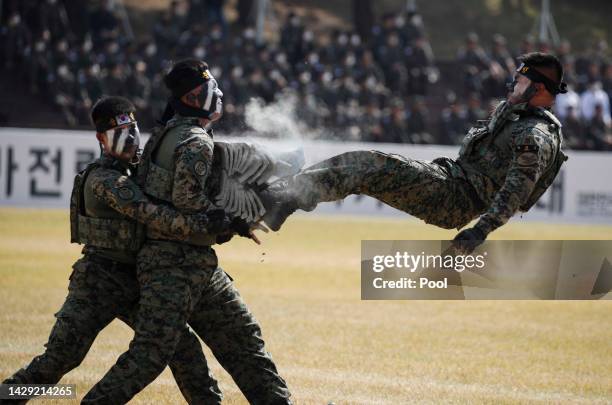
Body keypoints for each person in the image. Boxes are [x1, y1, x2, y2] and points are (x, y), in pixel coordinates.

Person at [83, 59, 292, 404]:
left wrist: (231, 218)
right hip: (173, 267)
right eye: (211, 88)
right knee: (151, 354)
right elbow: (186, 197)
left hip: (193, 262)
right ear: (196, 97)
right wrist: (230, 220)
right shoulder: (194, 140)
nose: (219, 94)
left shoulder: (168, 133)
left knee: (243, 340)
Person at [0, 96, 226, 404]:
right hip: (99, 282)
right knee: (57, 363)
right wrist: (208, 223)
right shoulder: (103, 179)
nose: (132, 138)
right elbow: (152, 214)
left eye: (133, 129)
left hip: (136, 280)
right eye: (121, 132)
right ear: (101, 139)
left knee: (180, 346)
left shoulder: (141, 169)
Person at [264, 52, 569, 253]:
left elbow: (517, 189)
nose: (512, 84)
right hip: (450, 182)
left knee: (368, 164)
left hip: (456, 197)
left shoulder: (535, 134)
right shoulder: (516, 116)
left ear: (539, 89)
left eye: (520, 80)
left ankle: (285, 197)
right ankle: (287, 197)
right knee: (366, 166)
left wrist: (480, 232)